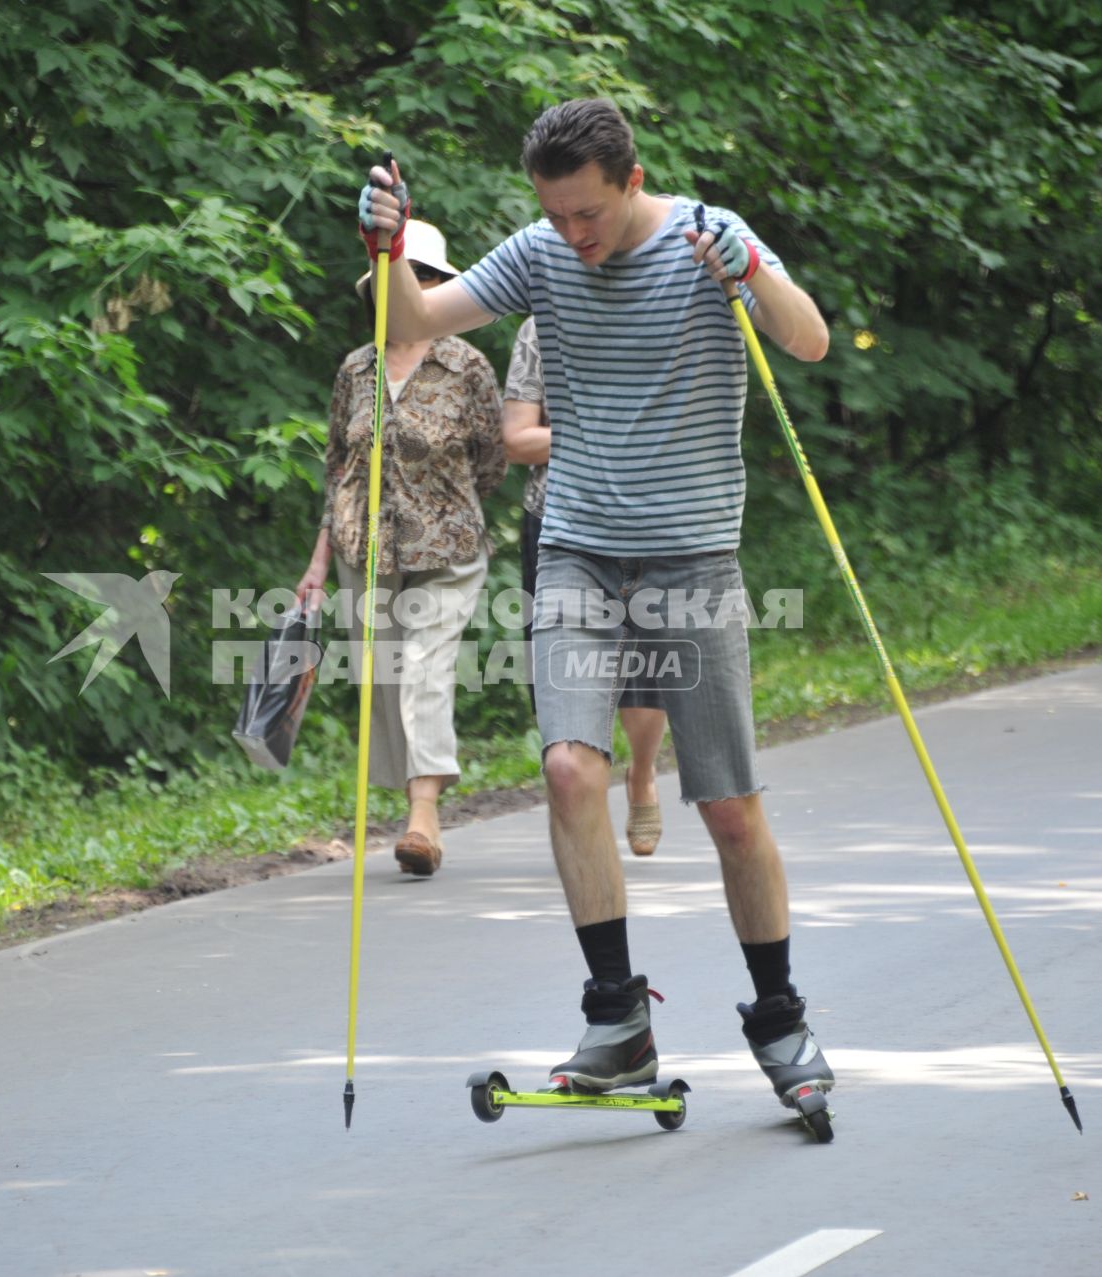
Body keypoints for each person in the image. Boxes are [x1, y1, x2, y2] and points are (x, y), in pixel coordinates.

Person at [355, 100, 838, 1114]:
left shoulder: (712, 234)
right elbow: (411, 323)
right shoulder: (541, 252)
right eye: (556, 215)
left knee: (729, 810)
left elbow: (809, 341)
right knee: (571, 768)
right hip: (576, 551)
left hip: (691, 559)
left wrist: (749, 273)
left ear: (631, 178)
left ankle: (780, 1013)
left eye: (588, 214)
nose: (575, 237)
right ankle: (618, 1016)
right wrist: (390, 249)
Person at [296, 220, 507, 878]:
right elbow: (339, 468)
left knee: (424, 668)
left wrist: (441, 503)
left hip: (448, 549)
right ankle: (413, 801)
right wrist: (319, 562)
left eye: (421, 277)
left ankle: (424, 817)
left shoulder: (468, 366)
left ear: (439, 287)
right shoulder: (354, 369)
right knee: (382, 681)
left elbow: (491, 463)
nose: (408, 287)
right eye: (396, 277)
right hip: (367, 550)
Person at [503, 317, 669, 856]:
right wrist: (598, 433)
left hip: (646, 517)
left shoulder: (657, 307)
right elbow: (519, 439)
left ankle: (641, 774)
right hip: (558, 523)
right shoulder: (539, 328)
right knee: (562, 674)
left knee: (645, 669)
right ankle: (584, 805)